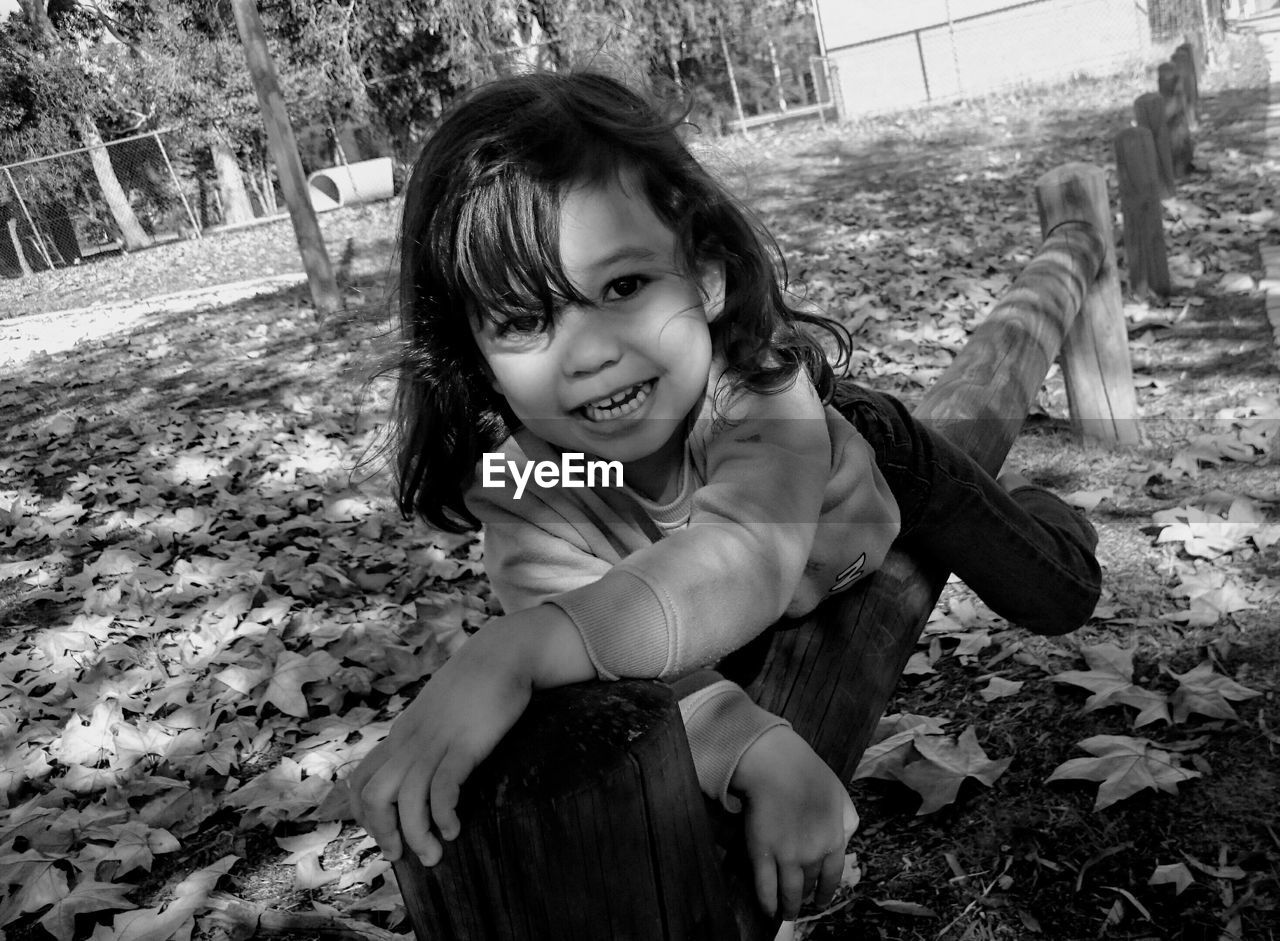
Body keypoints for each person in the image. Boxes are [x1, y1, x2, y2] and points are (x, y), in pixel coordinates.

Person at [348, 70, 1101, 922]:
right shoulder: (541, 483)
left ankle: (1051, 514)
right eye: (523, 320)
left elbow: (742, 556)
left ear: (703, 276)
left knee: (1058, 594)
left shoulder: (756, 392)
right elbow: (632, 668)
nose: (587, 353)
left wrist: (518, 648)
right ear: (474, 353)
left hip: (875, 470)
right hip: (773, 577)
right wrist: (754, 746)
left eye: (624, 286)